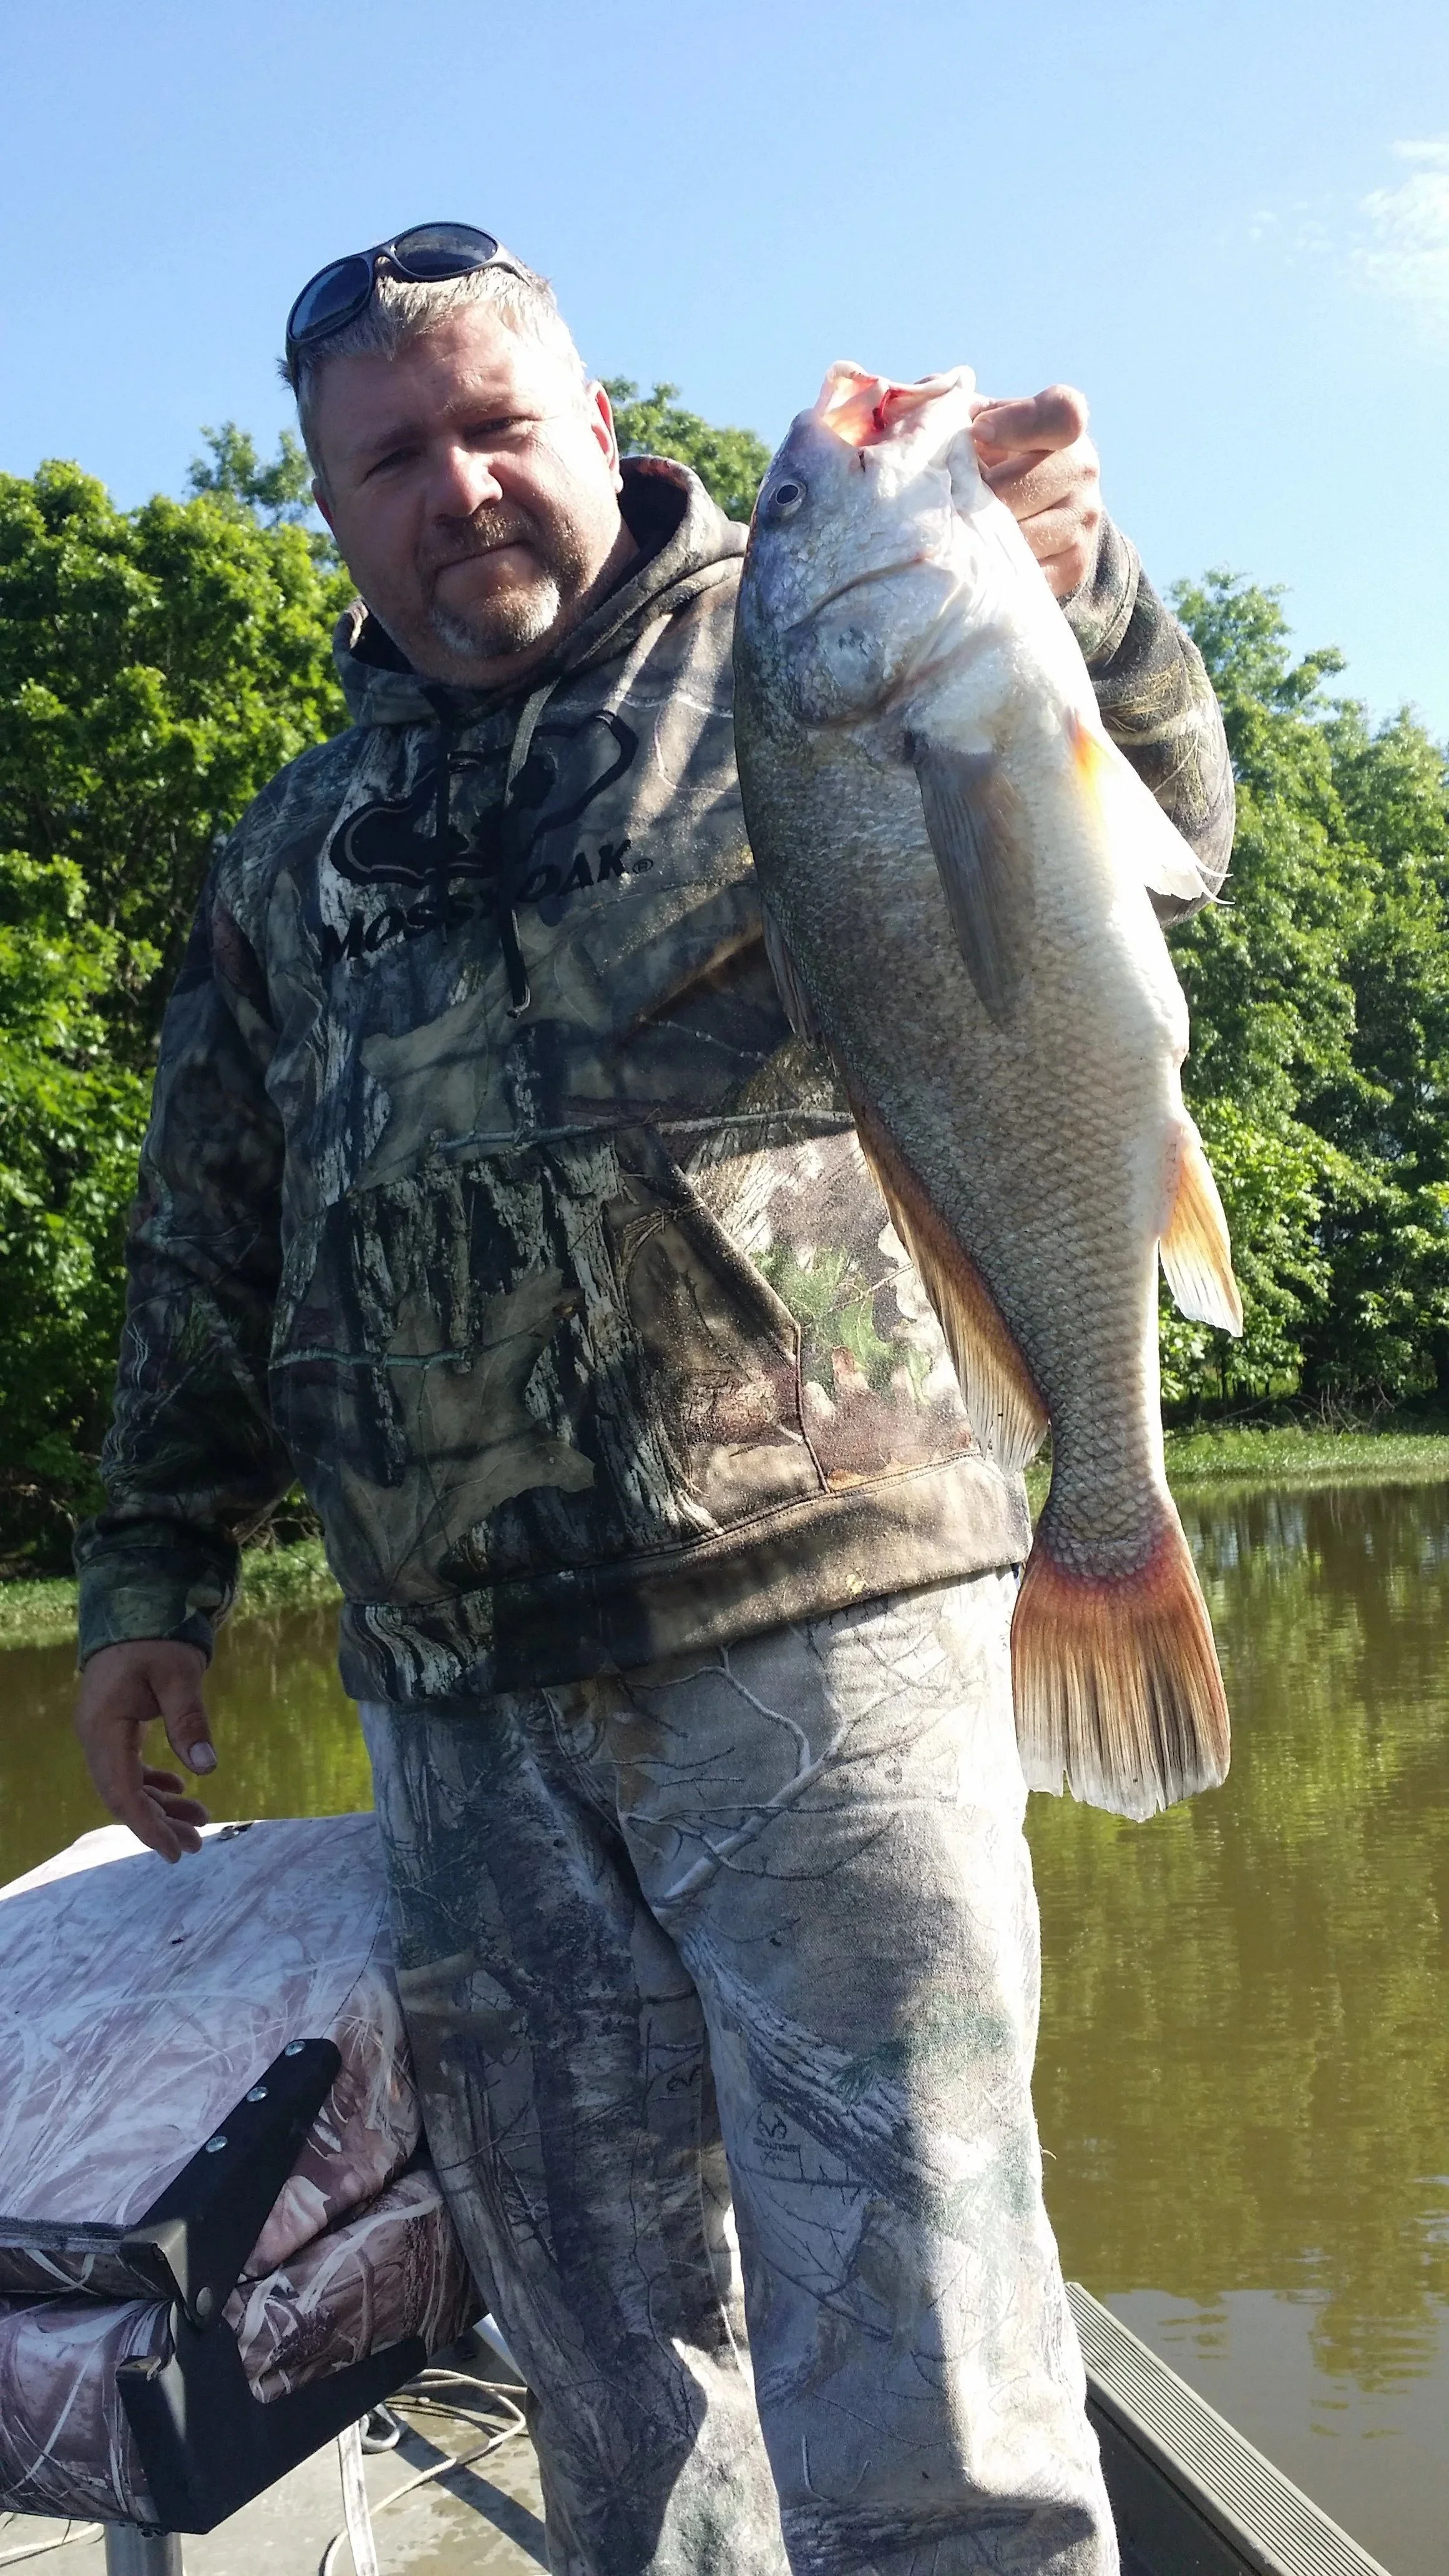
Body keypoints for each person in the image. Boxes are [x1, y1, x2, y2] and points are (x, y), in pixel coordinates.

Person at [72, 225, 1234, 2576]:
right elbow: (210, 1229)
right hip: (463, 1703)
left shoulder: (810, 650)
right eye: (392, 458)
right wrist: (145, 1576)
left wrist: (1089, 601)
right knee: (612, 2370)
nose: (459, 486)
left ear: (600, 425)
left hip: (832, 1632)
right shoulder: (290, 846)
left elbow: (1167, 846)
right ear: (331, 507)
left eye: (500, 423)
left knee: (927, 2349)